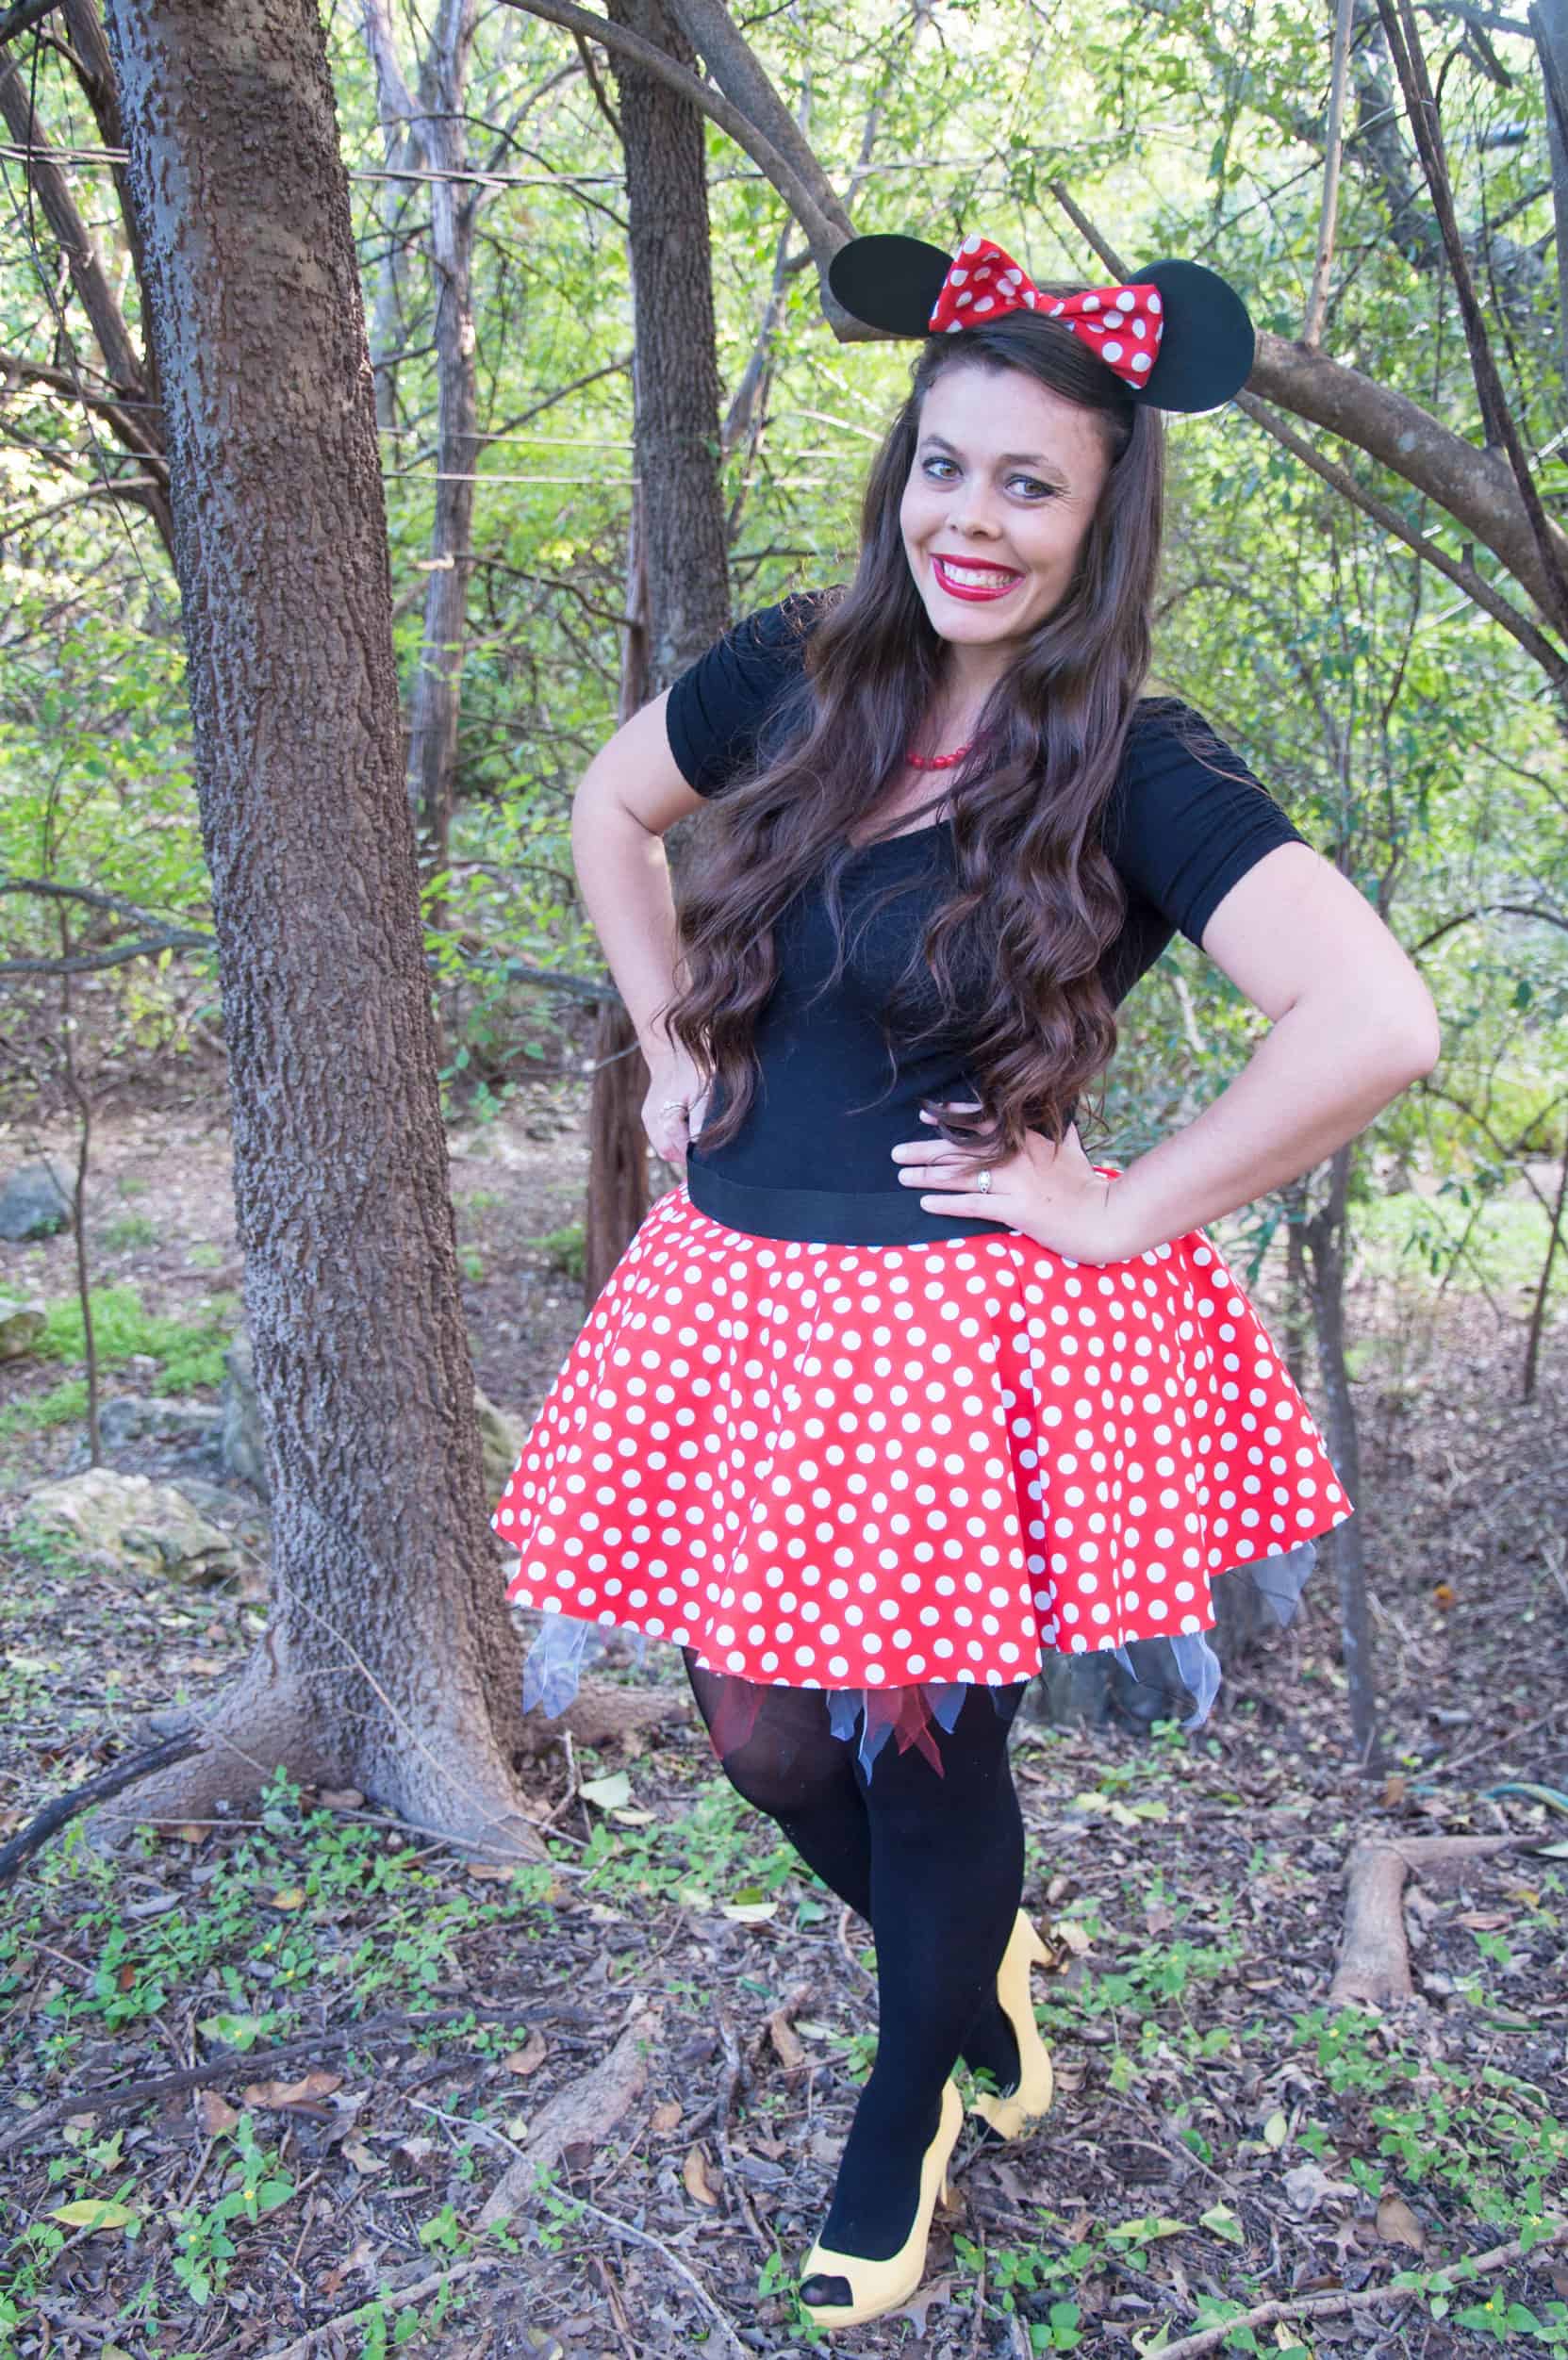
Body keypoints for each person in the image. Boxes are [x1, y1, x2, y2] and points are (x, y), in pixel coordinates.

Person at [490, 230, 1440, 2332]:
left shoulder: (1138, 764)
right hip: (746, 1299)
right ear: (896, 472)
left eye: (1029, 484)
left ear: (1098, 520)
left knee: (928, 1761)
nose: (970, 520)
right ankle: (968, 1967)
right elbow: (609, 804)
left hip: (958, 1340)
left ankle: (915, 2082)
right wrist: (661, 1040)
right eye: (944, 468)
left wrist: (1122, 1210)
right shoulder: (799, 670)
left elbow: (1371, 1018)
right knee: (761, 1739)